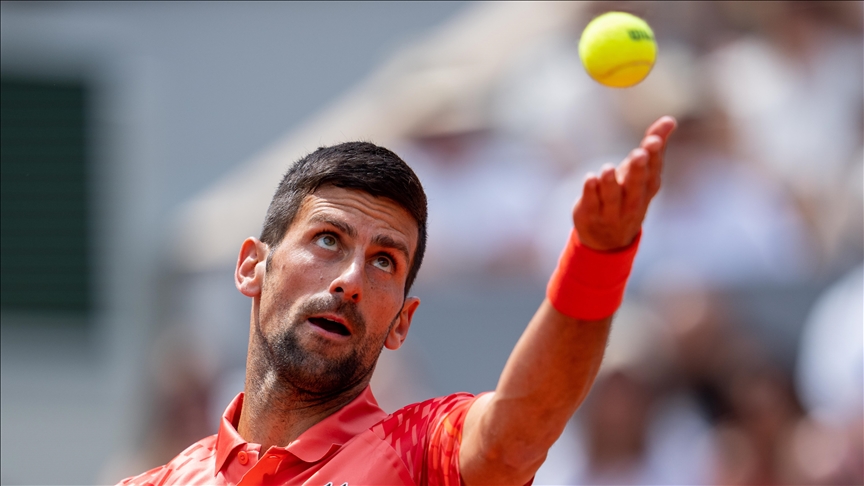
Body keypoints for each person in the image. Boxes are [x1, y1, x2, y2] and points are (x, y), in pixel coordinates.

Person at [118, 116, 677, 486]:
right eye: (328, 240)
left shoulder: (420, 454)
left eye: (385, 260)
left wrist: (599, 255)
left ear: (401, 323)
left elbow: (520, 429)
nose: (351, 280)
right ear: (251, 267)